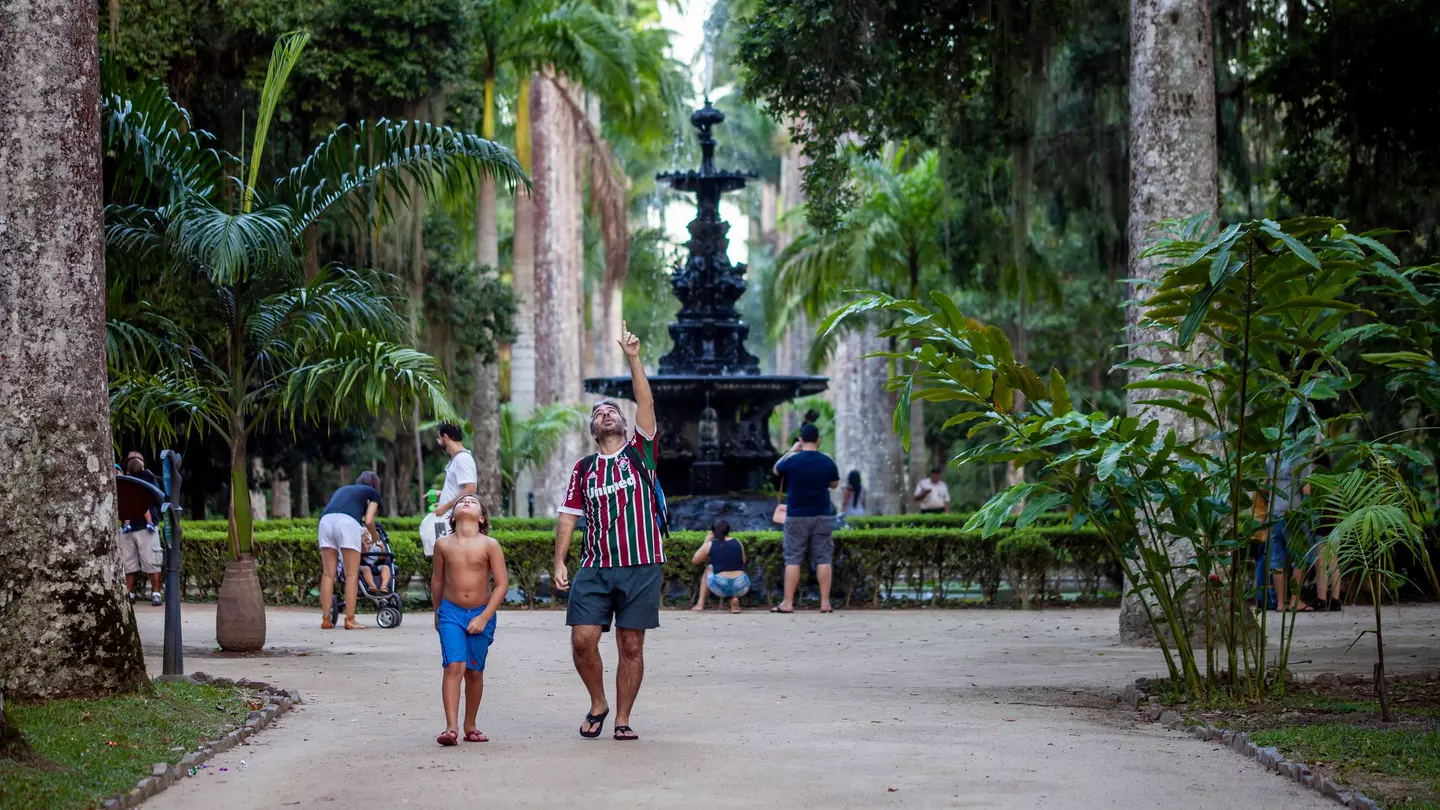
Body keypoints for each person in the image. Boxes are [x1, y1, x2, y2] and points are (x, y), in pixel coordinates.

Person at [554, 320, 663, 742]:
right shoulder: (583, 469)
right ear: (594, 430)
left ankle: (622, 718)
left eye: (612, 411)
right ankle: (598, 702)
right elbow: (568, 515)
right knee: (583, 640)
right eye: (599, 414)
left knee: (631, 645)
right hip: (596, 567)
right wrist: (560, 559)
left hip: (641, 564)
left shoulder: (641, 453)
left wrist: (633, 359)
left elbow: (645, 402)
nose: (607, 414)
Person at [431, 493, 507, 746]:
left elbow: (501, 585)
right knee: (454, 666)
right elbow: (438, 581)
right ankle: (450, 728)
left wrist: (484, 617)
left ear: (482, 517)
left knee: (474, 671)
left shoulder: (490, 545)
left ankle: (470, 725)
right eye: (461, 501)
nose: (466, 502)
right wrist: (437, 610)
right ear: (452, 516)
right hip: (450, 612)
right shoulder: (442, 544)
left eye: (473, 502)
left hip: (480, 613)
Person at [771, 422, 840, 614]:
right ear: (818, 440)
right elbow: (834, 484)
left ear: (801, 440)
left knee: (792, 559)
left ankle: (788, 603)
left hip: (796, 517)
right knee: (823, 558)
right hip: (821, 515)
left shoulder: (793, 460)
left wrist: (793, 449)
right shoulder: (827, 460)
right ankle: (825, 603)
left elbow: (776, 469)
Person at [318, 471, 382, 630]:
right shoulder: (373, 493)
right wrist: (376, 538)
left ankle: (326, 619)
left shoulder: (343, 489)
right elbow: (369, 521)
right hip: (347, 523)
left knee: (327, 574)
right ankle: (350, 619)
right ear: (375, 485)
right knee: (352, 574)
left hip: (325, 521)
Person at [1252, 455, 1316, 612]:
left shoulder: (1270, 459)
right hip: (1294, 514)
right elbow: (1306, 489)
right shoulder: (1300, 459)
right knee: (1300, 558)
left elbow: (1263, 487)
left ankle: (1280, 603)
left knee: (1276, 560)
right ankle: (1295, 600)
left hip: (1274, 514)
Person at [116, 451, 163, 605]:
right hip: (128, 527)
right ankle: (129, 593)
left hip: (146, 528)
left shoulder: (149, 477)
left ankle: (156, 593)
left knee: (152, 562)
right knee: (128, 564)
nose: (134, 462)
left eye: (136, 460)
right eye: (131, 460)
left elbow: (158, 497)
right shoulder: (124, 479)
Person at [691, 521, 749, 614]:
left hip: (721, 587)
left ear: (713, 532)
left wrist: (706, 541)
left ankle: (700, 604)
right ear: (728, 530)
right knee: (737, 573)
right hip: (742, 586)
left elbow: (695, 560)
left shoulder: (711, 545)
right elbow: (744, 560)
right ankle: (734, 599)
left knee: (708, 568)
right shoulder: (737, 542)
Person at [433, 423, 478, 533]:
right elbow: (460, 488)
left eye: (439, 438)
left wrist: (445, 507)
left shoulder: (462, 459)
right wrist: (442, 494)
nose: (439, 442)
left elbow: (470, 489)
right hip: (450, 520)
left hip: (454, 522)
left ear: (446, 437)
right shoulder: (457, 458)